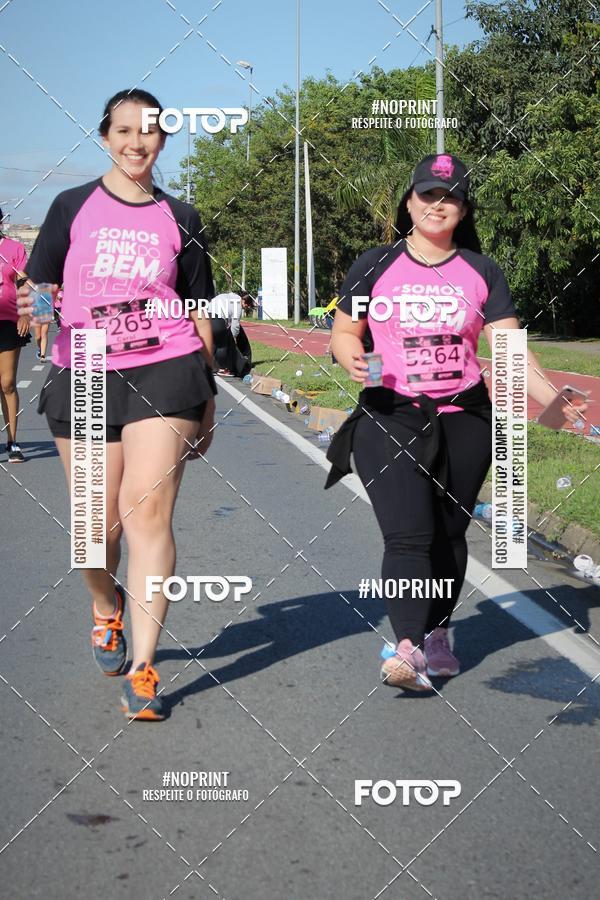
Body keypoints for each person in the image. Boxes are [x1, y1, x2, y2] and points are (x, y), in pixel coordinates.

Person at [326, 153, 588, 692]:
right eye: (427, 194)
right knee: (408, 534)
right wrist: (349, 352)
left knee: (448, 534)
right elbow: (345, 330)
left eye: (449, 197)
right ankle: (406, 646)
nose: (436, 205)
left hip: (464, 419)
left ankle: (440, 632)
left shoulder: (481, 270)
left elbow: (511, 350)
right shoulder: (373, 264)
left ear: (463, 207)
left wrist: (553, 402)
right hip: (390, 416)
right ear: (409, 200)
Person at [19, 88, 217, 720]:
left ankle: (145, 669)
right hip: (87, 368)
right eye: (125, 130)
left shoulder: (182, 218)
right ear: (105, 135)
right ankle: (108, 610)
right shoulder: (71, 206)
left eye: (150, 131)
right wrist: (39, 314)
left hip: (167, 366)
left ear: (164, 140)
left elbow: (199, 310)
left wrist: (207, 391)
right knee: (92, 531)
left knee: (146, 515)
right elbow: (42, 283)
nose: (137, 141)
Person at [0, 209, 30, 462]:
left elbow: (24, 284)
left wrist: (26, 314)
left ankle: (12, 442)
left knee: (7, 382)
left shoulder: (14, 249)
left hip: (9, 321)